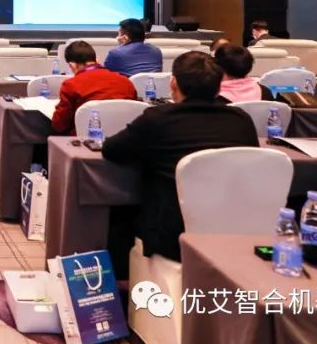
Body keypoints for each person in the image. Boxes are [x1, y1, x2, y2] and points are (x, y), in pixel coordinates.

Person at [102, 51, 259, 261]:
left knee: (118, 212)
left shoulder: (158, 118)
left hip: (172, 236)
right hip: (233, 230)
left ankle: (120, 277)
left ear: (173, 83)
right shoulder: (241, 120)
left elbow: (111, 149)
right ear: (218, 86)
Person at [51, 41, 137, 135]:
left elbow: (59, 125)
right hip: (124, 139)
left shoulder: (70, 85)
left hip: (86, 141)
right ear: (96, 60)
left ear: (72, 65)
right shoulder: (126, 82)